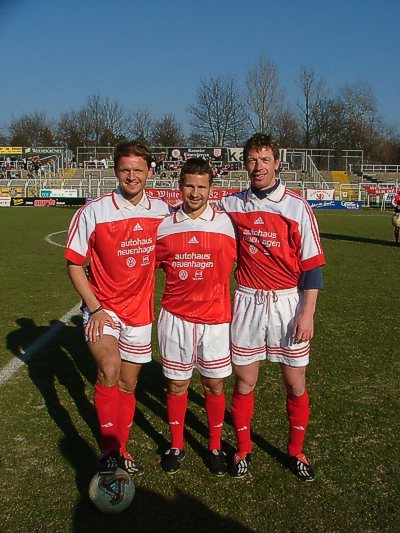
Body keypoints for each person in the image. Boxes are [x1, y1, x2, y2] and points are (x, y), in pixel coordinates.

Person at [219, 133, 325, 480]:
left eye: (265, 160)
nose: (258, 166)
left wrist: (307, 313)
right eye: (252, 160)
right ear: (244, 164)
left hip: (287, 303)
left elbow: (312, 266)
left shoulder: (297, 207)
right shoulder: (231, 205)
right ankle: (243, 449)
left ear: (277, 164)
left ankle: (296, 452)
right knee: (245, 381)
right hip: (247, 300)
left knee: (294, 382)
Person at [64, 141, 170, 477]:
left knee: (127, 384)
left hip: (140, 312)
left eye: (138, 170)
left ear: (149, 171)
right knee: (109, 369)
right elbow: (74, 264)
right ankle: (109, 451)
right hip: (104, 309)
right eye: (125, 169)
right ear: (115, 171)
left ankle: (121, 448)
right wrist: (95, 308)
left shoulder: (162, 212)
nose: (132, 176)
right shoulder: (94, 211)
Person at [156, 158, 237, 476]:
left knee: (214, 385)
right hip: (176, 317)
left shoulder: (226, 224)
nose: (195, 192)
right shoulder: (164, 225)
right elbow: (145, 266)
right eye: (189, 185)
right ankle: (177, 445)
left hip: (215, 319)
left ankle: (214, 445)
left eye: (201, 186)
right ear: (180, 186)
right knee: (177, 385)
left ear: (211, 189)